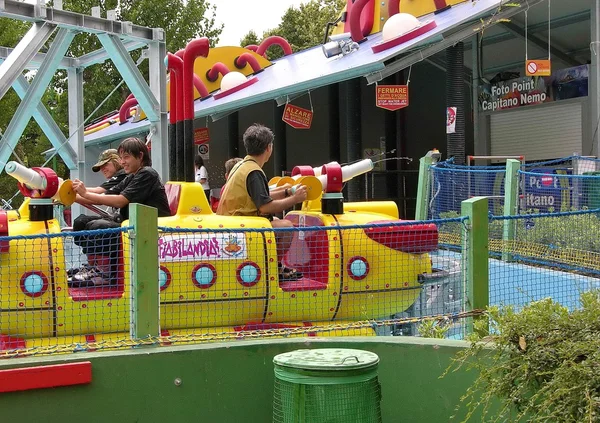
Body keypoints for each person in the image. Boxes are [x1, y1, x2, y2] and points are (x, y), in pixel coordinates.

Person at [70, 137, 172, 286]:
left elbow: (120, 200)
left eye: (126, 157)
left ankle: (104, 273)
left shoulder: (147, 174)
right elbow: (105, 194)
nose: (122, 162)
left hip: (148, 227)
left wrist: (84, 194)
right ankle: (93, 267)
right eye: (121, 158)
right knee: (81, 221)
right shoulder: (132, 176)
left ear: (140, 156)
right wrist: (71, 195)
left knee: (99, 226)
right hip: (131, 223)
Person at [217, 124, 307, 280]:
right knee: (286, 227)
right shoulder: (254, 172)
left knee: (278, 221)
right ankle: (273, 269)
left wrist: (286, 191)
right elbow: (265, 207)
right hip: (240, 224)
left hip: (231, 219)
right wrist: (295, 199)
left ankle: (274, 266)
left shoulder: (242, 165)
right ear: (268, 148)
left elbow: (259, 196)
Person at [71, 149, 127, 231]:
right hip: (118, 218)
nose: (102, 169)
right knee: (80, 221)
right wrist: (72, 190)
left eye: (105, 164)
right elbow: (96, 192)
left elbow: (98, 193)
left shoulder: (123, 174)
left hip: (126, 221)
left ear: (117, 160)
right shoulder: (119, 177)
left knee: (97, 226)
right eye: (101, 166)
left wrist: (69, 196)